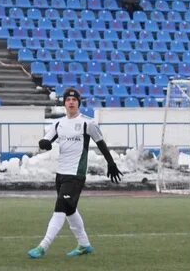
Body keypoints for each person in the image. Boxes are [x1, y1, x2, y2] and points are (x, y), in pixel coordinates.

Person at [28, 87, 122, 259]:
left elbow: (101, 143)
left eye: (74, 100)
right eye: (68, 100)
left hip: (76, 174)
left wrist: (111, 163)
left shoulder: (88, 123)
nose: (71, 102)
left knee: (60, 209)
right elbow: (46, 140)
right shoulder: (58, 124)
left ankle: (43, 246)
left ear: (79, 103)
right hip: (61, 174)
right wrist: (43, 143)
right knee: (70, 210)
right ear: (64, 103)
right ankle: (84, 245)